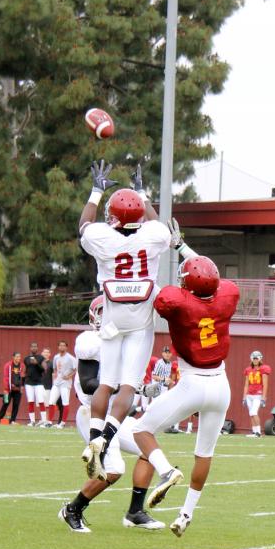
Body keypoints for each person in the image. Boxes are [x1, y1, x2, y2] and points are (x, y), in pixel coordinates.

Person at [133, 221, 240, 537]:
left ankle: (166, 472)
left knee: (142, 430)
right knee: (204, 453)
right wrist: (182, 247)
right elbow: (209, 278)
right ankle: (185, 515)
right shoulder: (227, 295)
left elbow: (167, 296)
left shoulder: (178, 302)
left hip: (193, 382)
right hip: (221, 385)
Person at [78, 160, 170, 480]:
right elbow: (161, 227)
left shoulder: (103, 236)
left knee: (106, 382)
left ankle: (93, 438)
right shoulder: (152, 234)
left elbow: (84, 225)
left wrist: (96, 192)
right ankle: (103, 442)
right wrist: (143, 195)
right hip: (141, 318)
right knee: (128, 386)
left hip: (113, 317)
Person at [59, 295, 164, 533]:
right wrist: (131, 387)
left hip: (116, 418)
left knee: (148, 449)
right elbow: (88, 384)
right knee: (115, 468)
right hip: (92, 415)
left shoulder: (126, 341)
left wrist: (139, 390)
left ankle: (135, 512)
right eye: (103, 312)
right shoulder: (90, 341)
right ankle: (73, 509)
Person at [46, 341, 77, 429]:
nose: (62, 347)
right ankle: (49, 422)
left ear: (66, 347)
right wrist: (55, 378)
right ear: (58, 347)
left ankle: (63, 423)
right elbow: (55, 369)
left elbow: (76, 369)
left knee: (65, 402)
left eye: (64, 345)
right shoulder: (56, 357)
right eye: (60, 345)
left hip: (65, 383)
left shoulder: (70, 358)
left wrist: (69, 376)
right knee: (51, 401)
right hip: (57, 383)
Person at [243, 350, 271, 438]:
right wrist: (244, 397)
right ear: (251, 359)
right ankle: (254, 432)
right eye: (254, 358)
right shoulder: (248, 370)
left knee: (254, 412)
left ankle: (258, 432)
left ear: (260, 359)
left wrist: (263, 398)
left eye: (256, 358)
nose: (255, 360)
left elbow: (265, 384)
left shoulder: (263, 369)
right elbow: (246, 385)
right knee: (251, 414)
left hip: (257, 394)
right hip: (249, 395)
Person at [0, 352, 24, 424]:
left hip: (18, 390)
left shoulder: (22, 366)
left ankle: (12, 420)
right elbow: (6, 377)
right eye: (17, 357)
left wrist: (21, 387)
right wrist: (6, 388)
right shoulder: (8, 365)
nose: (18, 358)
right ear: (13, 357)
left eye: (19, 357)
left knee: (16, 405)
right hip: (8, 389)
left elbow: (22, 377)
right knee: (5, 403)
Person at [23, 342, 46, 426]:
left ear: (37, 348)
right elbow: (25, 370)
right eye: (32, 346)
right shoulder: (26, 359)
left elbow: (44, 369)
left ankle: (43, 420)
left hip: (38, 382)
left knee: (41, 401)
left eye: (35, 346)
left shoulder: (41, 358)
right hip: (29, 383)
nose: (34, 348)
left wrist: (37, 364)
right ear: (30, 348)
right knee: (30, 401)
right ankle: (32, 421)